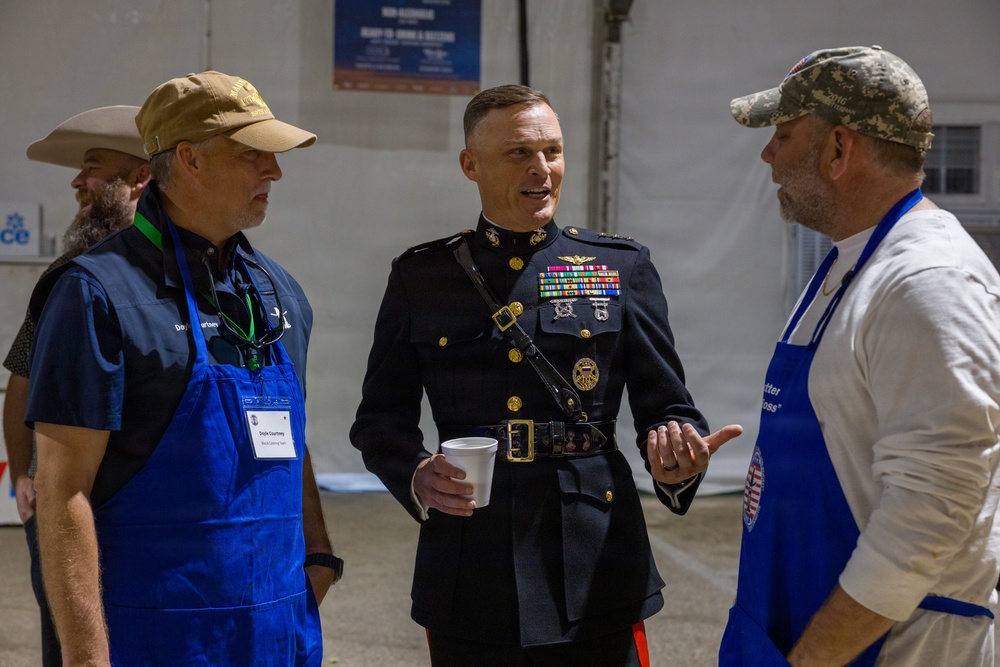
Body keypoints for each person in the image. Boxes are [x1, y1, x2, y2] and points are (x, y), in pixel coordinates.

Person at [351, 84, 741, 665]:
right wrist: (416, 473)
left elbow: (667, 405)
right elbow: (380, 420)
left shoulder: (617, 267)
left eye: (552, 152)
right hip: (471, 560)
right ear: (470, 165)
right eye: (518, 154)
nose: (542, 170)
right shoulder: (422, 277)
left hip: (595, 558)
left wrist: (676, 452)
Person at [26, 72, 339, 666]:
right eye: (253, 156)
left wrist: (318, 554)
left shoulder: (281, 294)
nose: (274, 172)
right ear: (189, 159)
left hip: (275, 630)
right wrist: (87, 657)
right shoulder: (95, 294)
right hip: (154, 635)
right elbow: (62, 488)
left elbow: (288, 440)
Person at [721, 46, 1000, 666]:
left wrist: (813, 658)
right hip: (792, 624)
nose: (768, 155)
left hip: (886, 648)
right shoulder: (854, 263)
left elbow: (930, 510)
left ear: (839, 149)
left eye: (784, 136)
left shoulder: (930, 281)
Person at [2, 104, 150, 667]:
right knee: (68, 640)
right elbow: (22, 379)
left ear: (140, 178)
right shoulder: (69, 278)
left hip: (141, 513)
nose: (76, 182)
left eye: (93, 169)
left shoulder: (179, 275)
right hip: (65, 508)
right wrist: (22, 473)